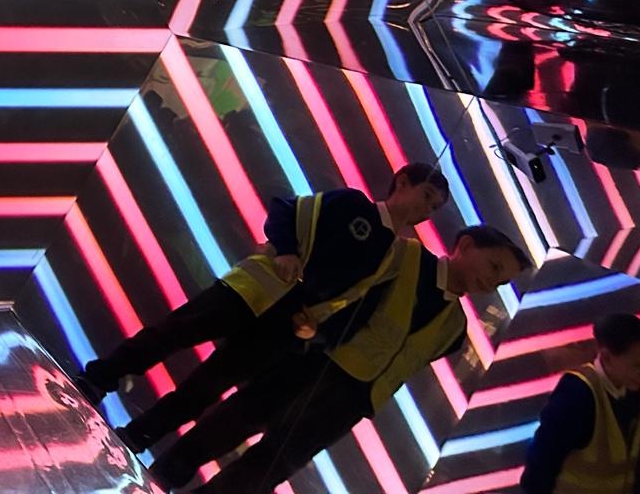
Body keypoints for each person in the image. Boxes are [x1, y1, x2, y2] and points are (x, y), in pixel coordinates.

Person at [82, 164, 450, 455]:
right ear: (402, 182)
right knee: (173, 333)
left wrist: (318, 334)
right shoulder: (354, 205)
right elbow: (286, 209)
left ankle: (140, 435)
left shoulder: (393, 257)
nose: (426, 210)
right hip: (256, 288)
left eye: (434, 207)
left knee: (211, 383)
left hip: (285, 325)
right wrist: (286, 250)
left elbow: (357, 307)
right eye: (427, 196)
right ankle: (99, 379)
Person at [150, 225, 532, 493]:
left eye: (500, 282)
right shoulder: (403, 254)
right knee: (235, 420)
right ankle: (159, 477)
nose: (491, 282)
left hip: (352, 400)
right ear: (464, 244)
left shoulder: (455, 328)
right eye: (494, 267)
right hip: (315, 360)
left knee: (273, 465)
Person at [521, 312, 640, 494]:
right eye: (637, 366)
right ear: (607, 358)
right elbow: (541, 463)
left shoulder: (631, 391)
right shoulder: (576, 393)